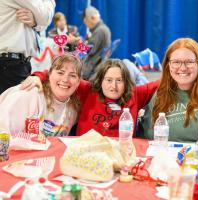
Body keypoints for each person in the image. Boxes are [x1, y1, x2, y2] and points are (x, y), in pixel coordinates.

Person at [22, 59, 160, 137]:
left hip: (119, 156)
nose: (114, 86)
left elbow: (162, 82)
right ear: (100, 81)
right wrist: (37, 77)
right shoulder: (88, 90)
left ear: (126, 82)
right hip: (84, 155)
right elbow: (59, 75)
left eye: (119, 80)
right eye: (108, 80)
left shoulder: (135, 94)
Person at [0, 54, 82, 137]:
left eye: (72, 75)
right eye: (60, 73)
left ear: (78, 82)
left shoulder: (73, 110)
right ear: (49, 75)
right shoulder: (29, 95)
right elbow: (3, 132)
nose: (65, 79)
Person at [0, 0, 56, 94]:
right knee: (15, 107)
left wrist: (34, 22)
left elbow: (42, 25)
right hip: (10, 64)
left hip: (14, 63)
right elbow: (45, 16)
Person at [81, 6, 111, 80]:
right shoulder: (102, 28)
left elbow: (89, 50)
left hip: (92, 71)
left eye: (86, 22)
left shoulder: (99, 31)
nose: (86, 25)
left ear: (92, 18)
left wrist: (78, 43)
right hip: (95, 68)